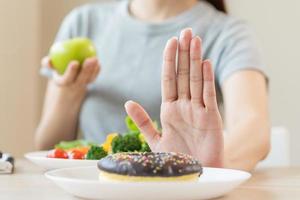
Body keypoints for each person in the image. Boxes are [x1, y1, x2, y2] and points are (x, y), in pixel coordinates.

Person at [35, 0, 270, 171]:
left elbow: (252, 127)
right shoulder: (83, 22)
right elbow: (46, 145)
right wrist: (71, 92)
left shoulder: (229, 33)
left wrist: (210, 167)